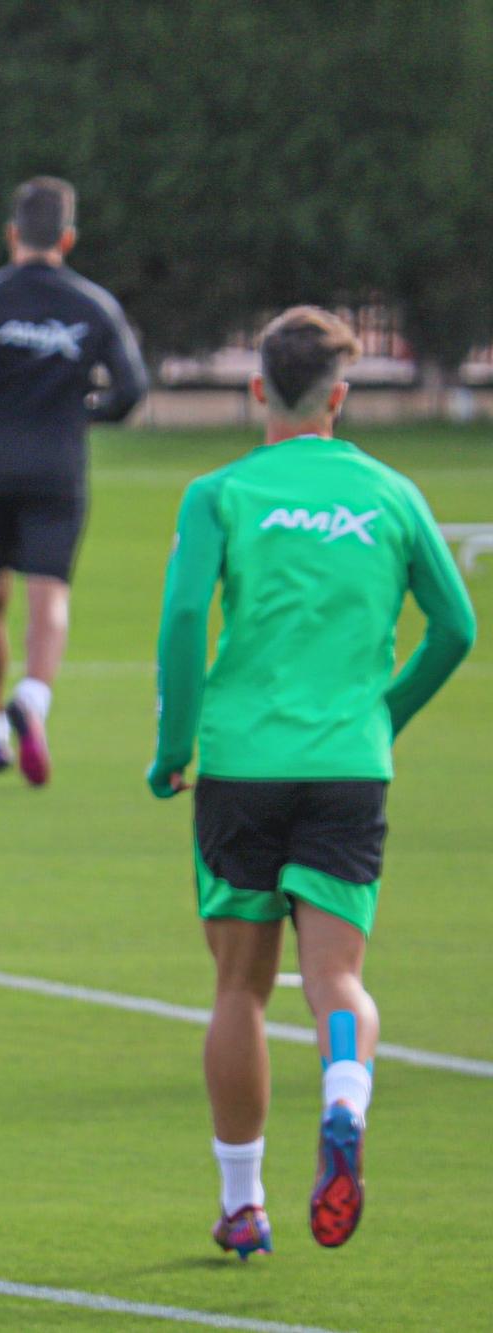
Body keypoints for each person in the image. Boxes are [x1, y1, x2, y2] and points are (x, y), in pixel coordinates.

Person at [148, 307, 475, 1259]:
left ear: (258, 390)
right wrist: (383, 716)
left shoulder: (220, 492)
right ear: (340, 396)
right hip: (346, 768)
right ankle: (344, 1095)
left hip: (244, 765)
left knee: (239, 991)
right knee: (337, 977)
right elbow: (456, 629)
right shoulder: (392, 493)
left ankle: (244, 1203)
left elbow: (181, 617)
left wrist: (175, 744)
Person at [0, 177, 147, 785]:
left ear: (11, 235)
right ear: (68, 239)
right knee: (48, 596)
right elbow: (131, 389)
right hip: (56, 466)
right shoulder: (94, 305)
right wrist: (86, 413)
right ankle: (34, 696)